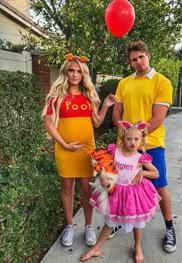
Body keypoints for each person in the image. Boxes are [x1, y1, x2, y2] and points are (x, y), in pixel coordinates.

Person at [41, 53, 116, 247]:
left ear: (83, 75)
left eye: (78, 72)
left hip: (85, 150)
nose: (74, 75)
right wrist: (64, 144)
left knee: (85, 190)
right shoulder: (56, 96)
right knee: (67, 188)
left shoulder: (89, 97)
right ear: (65, 72)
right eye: (71, 71)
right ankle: (69, 225)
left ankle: (89, 227)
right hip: (65, 150)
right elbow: (49, 123)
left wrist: (106, 105)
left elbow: (97, 122)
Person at [112, 40, 177, 253]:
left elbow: (158, 117)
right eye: (133, 59)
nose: (138, 62)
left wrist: (137, 137)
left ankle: (169, 227)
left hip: (151, 145)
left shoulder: (162, 82)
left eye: (141, 57)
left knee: (160, 186)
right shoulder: (124, 83)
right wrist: (124, 136)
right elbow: (117, 113)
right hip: (126, 145)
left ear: (148, 55)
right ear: (130, 62)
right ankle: (120, 220)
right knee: (123, 185)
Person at [80, 120, 161, 263]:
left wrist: (142, 174)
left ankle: (137, 247)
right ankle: (97, 248)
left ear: (141, 140)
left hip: (133, 195)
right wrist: (102, 176)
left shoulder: (140, 158)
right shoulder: (114, 152)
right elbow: (104, 166)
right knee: (110, 222)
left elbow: (156, 173)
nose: (132, 142)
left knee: (137, 222)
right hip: (116, 193)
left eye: (136, 139)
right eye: (129, 139)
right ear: (123, 138)